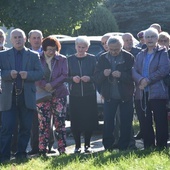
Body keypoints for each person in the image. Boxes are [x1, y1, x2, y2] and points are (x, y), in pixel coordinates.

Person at [0, 28, 43, 163]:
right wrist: (8, 74)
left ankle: (21, 153)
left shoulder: (33, 55)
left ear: (25, 39)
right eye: (15, 37)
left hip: (26, 96)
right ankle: (4, 156)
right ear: (10, 40)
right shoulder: (2, 55)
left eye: (20, 37)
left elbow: (40, 74)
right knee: (7, 127)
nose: (18, 40)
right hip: (9, 97)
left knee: (25, 127)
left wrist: (28, 75)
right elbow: (0, 73)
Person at [94, 36, 134, 151]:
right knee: (108, 123)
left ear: (121, 47)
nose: (113, 52)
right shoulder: (102, 58)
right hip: (109, 96)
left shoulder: (128, 57)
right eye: (111, 49)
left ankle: (124, 146)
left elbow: (133, 77)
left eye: (116, 49)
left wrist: (121, 75)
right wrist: (103, 74)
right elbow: (96, 77)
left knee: (126, 122)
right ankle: (108, 146)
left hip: (125, 95)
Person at [132, 27, 170, 149]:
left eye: (152, 37)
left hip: (158, 93)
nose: (149, 39)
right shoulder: (140, 54)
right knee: (145, 120)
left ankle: (161, 145)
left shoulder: (163, 52)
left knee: (160, 120)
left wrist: (148, 80)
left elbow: (163, 70)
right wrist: (140, 80)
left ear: (157, 38)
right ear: (144, 39)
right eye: (147, 37)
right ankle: (148, 145)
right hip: (142, 93)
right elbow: (134, 70)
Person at [36, 36, 69, 156]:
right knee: (43, 123)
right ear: (44, 48)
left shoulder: (62, 59)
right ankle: (42, 150)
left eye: (54, 49)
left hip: (59, 93)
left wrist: (52, 85)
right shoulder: (37, 59)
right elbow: (36, 74)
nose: (52, 52)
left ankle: (62, 149)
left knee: (60, 122)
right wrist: (45, 85)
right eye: (49, 49)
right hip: (42, 94)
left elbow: (65, 74)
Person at [67, 36, 98, 153]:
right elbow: (64, 76)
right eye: (79, 47)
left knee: (89, 120)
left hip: (89, 94)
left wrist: (89, 78)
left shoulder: (92, 59)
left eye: (83, 47)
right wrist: (71, 79)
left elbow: (97, 76)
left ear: (87, 47)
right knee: (75, 120)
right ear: (75, 47)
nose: (80, 49)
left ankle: (88, 145)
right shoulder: (69, 59)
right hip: (74, 94)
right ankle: (77, 145)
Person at [27, 29, 43, 155]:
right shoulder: (26, 54)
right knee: (33, 121)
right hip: (30, 91)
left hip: (46, 90)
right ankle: (35, 147)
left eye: (39, 38)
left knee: (47, 121)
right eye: (34, 38)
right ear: (29, 40)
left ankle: (47, 146)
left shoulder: (48, 53)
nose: (36, 40)